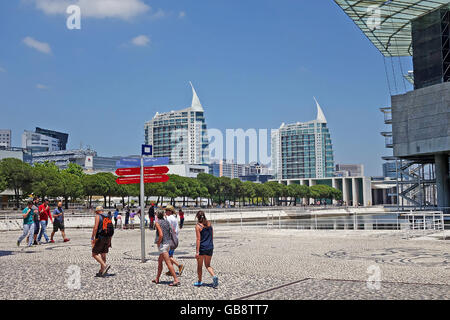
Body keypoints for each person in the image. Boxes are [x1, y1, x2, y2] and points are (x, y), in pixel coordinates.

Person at [152, 209, 180, 286]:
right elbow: (172, 231)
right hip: (168, 243)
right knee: (160, 261)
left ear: (157, 215)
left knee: (168, 263)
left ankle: (176, 279)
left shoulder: (158, 223)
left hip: (163, 245)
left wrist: (158, 242)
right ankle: (157, 278)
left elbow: (161, 234)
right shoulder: (167, 222)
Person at [194, 211, 218, 288]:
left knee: (199, 266)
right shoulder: (209, 223)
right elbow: (212, 235)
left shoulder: (198, 226)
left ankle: (199, 281)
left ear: (197, 217)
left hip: (202, 248)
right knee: (207, 265)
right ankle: (214, 276)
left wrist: (197, 251)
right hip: (210, 247)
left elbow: (198, 239)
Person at [91, 206, 112, 277]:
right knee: (103, 254)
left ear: (97, 211)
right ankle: (101, 271)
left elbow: (96, 227)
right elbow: (111, 229)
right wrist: (110, 240)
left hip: (100, 237)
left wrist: (92, 237)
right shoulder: (108, 216)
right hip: (107, 237)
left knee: (94, 254)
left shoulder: (98, 216)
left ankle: (104, 265)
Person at [164, 205, 184, 276]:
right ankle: (170, 270)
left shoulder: (168, 218)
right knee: (171, 255)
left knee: (167, 256)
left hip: (170, 239)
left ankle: (179, 265)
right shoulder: (174, 218)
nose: (165, 212)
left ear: (170, 211)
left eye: (166, 210)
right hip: (175, 239)